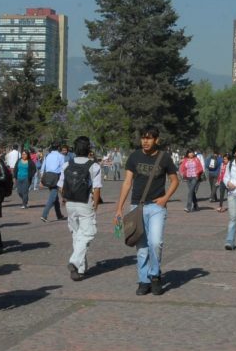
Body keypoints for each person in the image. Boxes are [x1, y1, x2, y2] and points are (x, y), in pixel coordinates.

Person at [114, 126, 179, 296]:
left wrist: (165, 199)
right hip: (137, 206)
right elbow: (127, 183)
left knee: (155, 242)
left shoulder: (164, 158)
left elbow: (174, 181)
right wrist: (119, 208)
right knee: (141, 247)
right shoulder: (134, 157)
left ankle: (155, 275)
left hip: (157, 207)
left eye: (149, 138)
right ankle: (144, 280)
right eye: (143, 138)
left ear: (157, 140)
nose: (145, 141)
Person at [59, 136, 102, 281]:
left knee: (76, 234)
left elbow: (61, 186)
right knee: (88, 233)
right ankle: (75, 262)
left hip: (70, 203)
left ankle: (80, 269)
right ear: (88, 149)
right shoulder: (94, 166)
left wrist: (64, 198)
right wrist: (95, 204)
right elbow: (96, 188)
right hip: (85, 202)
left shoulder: (67, 164)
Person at [41, 143, 67, 222]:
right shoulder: (61, 156)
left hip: (48, 176)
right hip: (56, 177)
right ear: (58, 148)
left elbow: (43, 168)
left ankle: (59, 215)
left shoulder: (47, 155)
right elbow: (63, 169)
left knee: (55, 197)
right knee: (53, 197)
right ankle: (44, 215)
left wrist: (41, 179)